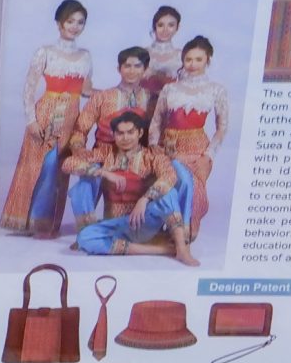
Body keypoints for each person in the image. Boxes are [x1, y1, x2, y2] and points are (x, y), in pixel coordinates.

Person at [0, 0, 91, 236]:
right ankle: (32, 222)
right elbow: (28, 89)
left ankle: (48, 223)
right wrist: (31, 120)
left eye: (80, 22)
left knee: (59, 169)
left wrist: (117, 91)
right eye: (70, 21)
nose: (75, 26)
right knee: (42, 167)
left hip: (71, 118)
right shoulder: (45, 52)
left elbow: (86, 90)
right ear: (59, 23)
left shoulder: (85, 56)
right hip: (46, 115)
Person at [66, 112, 198, 261]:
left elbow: (169, 176)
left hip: (145, 221)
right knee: (85, 237)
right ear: (113, 134)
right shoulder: (107, 153)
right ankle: (162, 250)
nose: (125, 138)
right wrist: (104, 173)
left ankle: (182, 248)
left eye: (130, 132)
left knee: (169, 193)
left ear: (140, 133)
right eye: (120, 133)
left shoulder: (152, 156)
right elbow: (69, 163)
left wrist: (145, 199)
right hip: (118, 224)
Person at [150, 34, 231, 232]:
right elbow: (156, 121)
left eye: (198, 59)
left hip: (198, 150)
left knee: (194, 189)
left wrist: (208, 156)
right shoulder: (170, 89)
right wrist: (153, 146)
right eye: (188, 59)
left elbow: (222, 128)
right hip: (169, 148)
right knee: (177, 183)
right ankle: (174, 227)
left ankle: (185, 229)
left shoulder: (216, 90)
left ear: (207, 60)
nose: (193, 64)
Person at [78, 47, 155, 151]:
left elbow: (158, 130)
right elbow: (80, 130)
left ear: (145, 69)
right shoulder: (101, 97)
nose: (132, 71)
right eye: (127, 66)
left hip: (140, 156)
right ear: (119, 69)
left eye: (137, 66)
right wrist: (78, 147)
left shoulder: (152, 99)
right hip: (103, 153)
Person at [140, 6, 185, 96]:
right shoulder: (141, 53)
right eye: (160, 25)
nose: (165, 30)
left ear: (177, 27)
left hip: (171, 101)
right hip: (142, 101)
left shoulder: (182, 55)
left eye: (171, 25)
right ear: (154, 27)